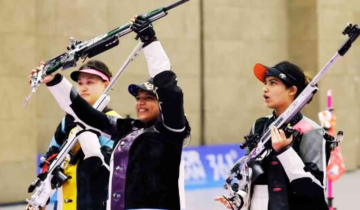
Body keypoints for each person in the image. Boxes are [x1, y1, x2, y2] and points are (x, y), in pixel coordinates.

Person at [31, 15, 190, 210]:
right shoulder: (128, 129)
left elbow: (168, 87)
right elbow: (86, 115)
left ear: (162, 104)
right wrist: (54, 82)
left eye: (148, 98)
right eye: (138, 98)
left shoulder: (171, 129)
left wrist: (149, 41)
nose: (140, 103)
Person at [216, 61, 328, 210]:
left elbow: (315, 191)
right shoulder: (260, 125)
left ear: (292, 90)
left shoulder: (311, 130)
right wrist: (239, 200)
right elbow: (253, 179)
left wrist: (285, 151)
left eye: (273, 83)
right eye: (265, 83)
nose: (265, 88)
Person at [29, 60, 120, 210]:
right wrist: (42, 198)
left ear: (106, 84)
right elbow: (50, 158)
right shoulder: (67, 121)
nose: (84, 87)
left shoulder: (114, 121)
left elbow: (108, 166)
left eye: (90, 82)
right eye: (80, 82)